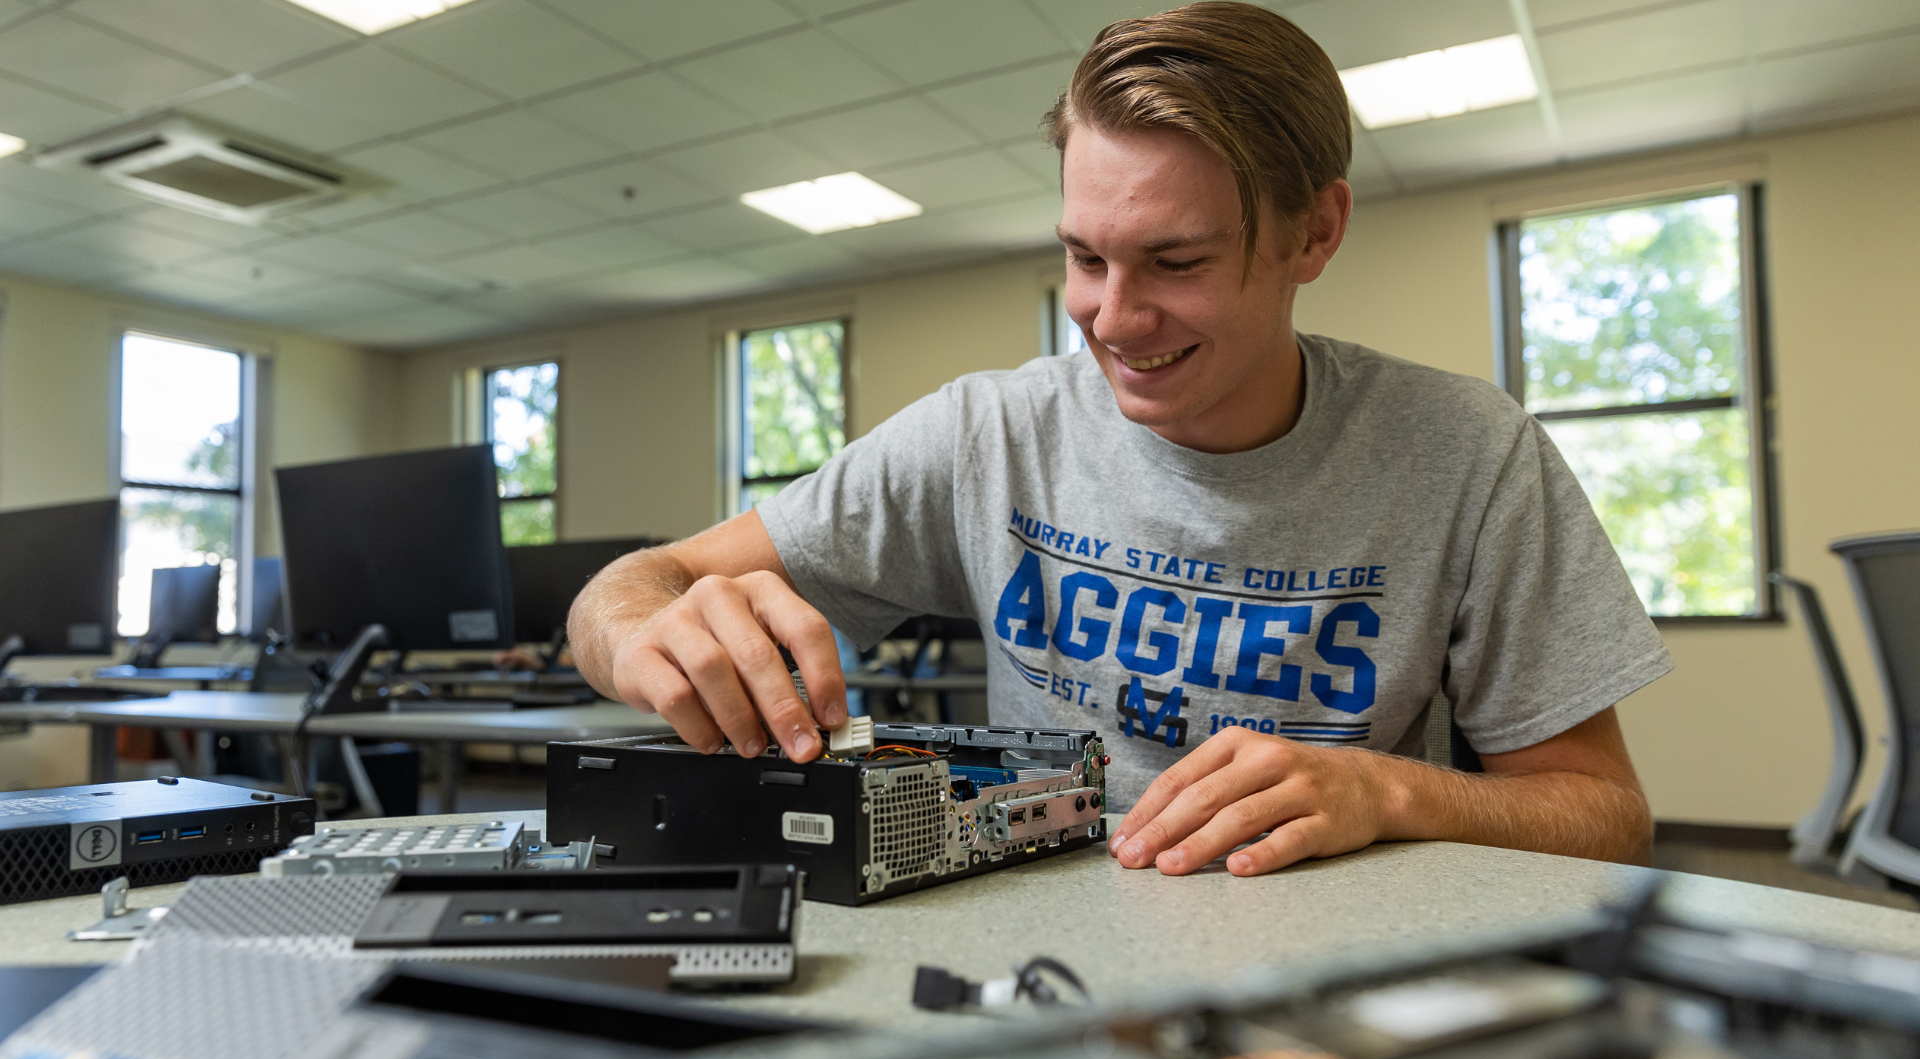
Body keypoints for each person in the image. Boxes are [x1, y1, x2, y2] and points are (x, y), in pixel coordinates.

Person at [569, 1, 1671, 877]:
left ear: (1315, 231)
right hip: (1051, 965)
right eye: (1086, 259)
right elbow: (630, 585)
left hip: (1335, 976)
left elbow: (1606, 816)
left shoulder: (1469, 454)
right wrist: (644, 634)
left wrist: (1388, 790)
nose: (1113, 318)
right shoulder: (987, 434)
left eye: (1178, 263)